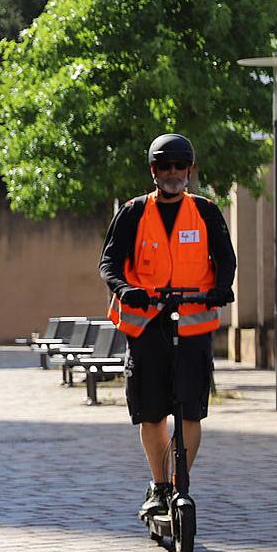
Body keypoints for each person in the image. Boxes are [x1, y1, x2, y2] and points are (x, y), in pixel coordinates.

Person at [99, 134, 236, 520]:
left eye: (179, 166)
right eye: (165, 166)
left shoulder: (205, 211)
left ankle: (180, 482)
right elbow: (109, 263)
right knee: (152, 412)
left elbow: (226, 259)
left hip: (193, 325)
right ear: (153, 170)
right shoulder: (133, 212)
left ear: (190, 170)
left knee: (191, 411)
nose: (173, 173)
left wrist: (222, 288)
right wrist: (125, 289)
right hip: (146, 326)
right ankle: (159, 485)